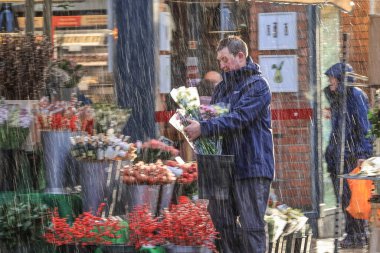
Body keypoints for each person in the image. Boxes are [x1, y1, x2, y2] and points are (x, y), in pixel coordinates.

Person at [184, 36, 274, 253]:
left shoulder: (258, 85)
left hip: (251, 167)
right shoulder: (222, 87)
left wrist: (204, 128)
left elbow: (240, 118)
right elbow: (214, 117)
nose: (222, 65)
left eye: (225, 59)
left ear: (240, 56)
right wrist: (195, 121)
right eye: (220, 60)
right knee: (222, 227)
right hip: (223, 169)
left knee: (251, 228)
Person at [324, 62, 373, 248]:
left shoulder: (355, 96)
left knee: (353, 197)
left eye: (333, 79)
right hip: (340, 155)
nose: (330, 83)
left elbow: (364, 127)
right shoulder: (340, 98)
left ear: (341, 79)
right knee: (344, 198)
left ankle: (358, 233)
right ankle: (352, 233)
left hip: (351, 155)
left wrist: (362, 153)